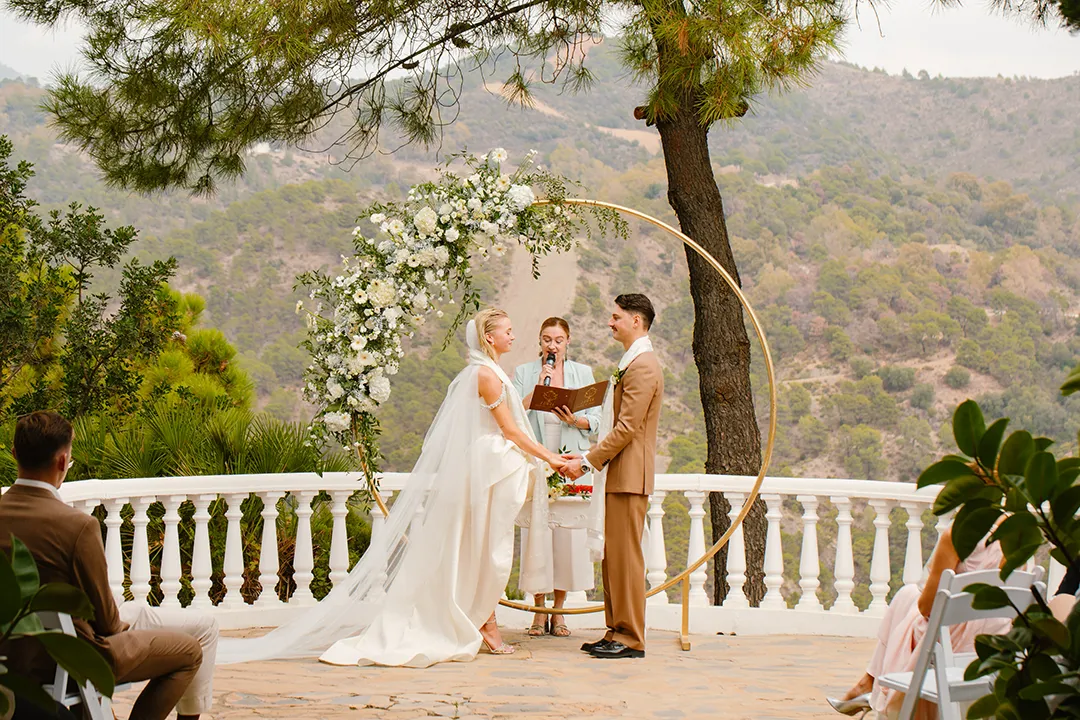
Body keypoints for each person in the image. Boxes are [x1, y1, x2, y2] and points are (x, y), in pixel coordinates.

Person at [218, 309, 567, 667]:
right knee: (481, 549)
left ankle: (479, 618)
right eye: (508, 331)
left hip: (488, 469)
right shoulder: (484, 374)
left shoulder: (490, 371)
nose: (513, 336)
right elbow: (510, 430)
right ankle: (484, 623)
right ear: (489, 337)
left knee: (479, 549)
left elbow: (510, 419)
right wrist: (551, 458)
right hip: (484, 470)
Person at [0, 411, 217, 720]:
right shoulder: (76, 526)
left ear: (14, 454)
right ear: (62, 461)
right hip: (72, 657)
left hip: (11, 653)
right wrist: (128, 632)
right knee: (190, 651)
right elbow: (107, 622)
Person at [563, 293, 664, 660]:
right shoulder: (631, 362)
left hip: (629, 474)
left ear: (636, 321)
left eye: (616, 317)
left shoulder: (643, 366)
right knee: (613, 557)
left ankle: (632, 637)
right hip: (618, 473)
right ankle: (615, 629)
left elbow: (626, 428)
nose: (610, 323)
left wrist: (586, 462)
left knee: (626, 558)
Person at [827, 525, 1009, 719]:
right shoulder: (1016, 530)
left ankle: (870, 686)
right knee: (907, 595)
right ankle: (868, 683)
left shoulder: (958, 535)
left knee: (907, 604)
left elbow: (927, 607)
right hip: (998, 633)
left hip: (954, 639)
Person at [513, 317, 601, 638]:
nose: (553, 345)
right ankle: (539, 610)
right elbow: (512, 415)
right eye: (547, 339)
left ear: (567, 342)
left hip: (570, 460)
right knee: (537, 533)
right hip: (537, 459)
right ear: (540, 342)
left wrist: (575, 420)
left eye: (558, 340)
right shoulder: (524, 372)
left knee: (567, 538)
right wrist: (538, 387)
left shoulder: (583, 373)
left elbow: (598, 419)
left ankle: (559, 611)